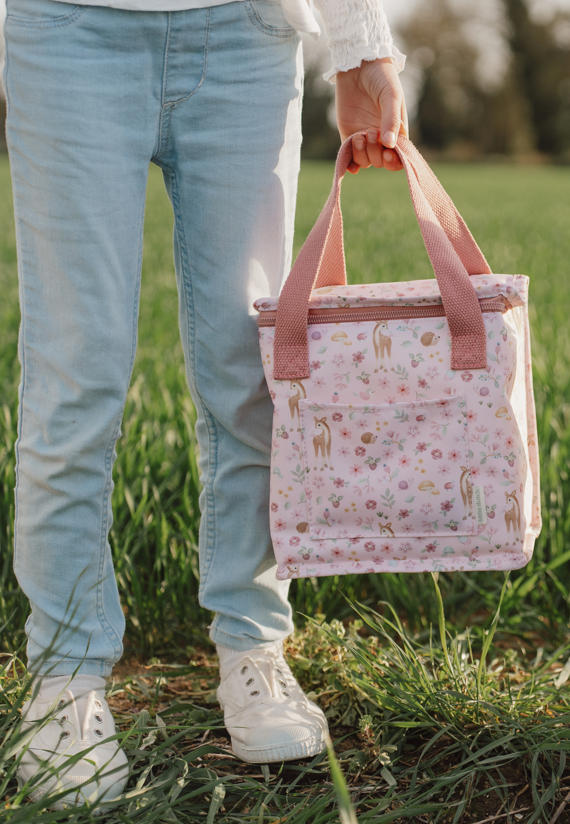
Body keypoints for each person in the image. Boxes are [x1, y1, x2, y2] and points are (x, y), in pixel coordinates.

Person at [7, 0, 408, 807]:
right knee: (74, 370)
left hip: (248, 35)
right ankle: (64, 675)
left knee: (248, 367)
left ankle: (254, 646)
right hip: (66, 31)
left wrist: (362, 43)